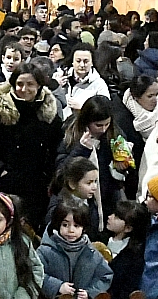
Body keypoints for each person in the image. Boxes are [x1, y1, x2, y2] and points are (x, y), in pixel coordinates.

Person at [0, 60, 64, 232]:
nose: (24, 89)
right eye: (20, 84)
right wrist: (0, 170)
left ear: (39, 85)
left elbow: (56, 150)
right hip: (6, 183)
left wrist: (48, 176)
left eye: (30, 84)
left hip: (36, 187)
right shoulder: (0, 111)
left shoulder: (49, 113)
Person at [56, 96, 131, 224]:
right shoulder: (70, 135)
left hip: (108, 197)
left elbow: (123, 173)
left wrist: (122, 167)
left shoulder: (115, 134)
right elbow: (61, 172)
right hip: (79, 201)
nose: (103, 129)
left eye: (107, 124)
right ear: (87, 121)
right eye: (98, 125)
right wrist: (82, 149)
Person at [62, 43, 111, 117]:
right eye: (78, 61)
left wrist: (83, 108)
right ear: (72, 62)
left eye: (86, 61)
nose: (82, 65)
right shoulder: (61, 76)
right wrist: (56, 86)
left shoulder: (99, 83)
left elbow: (105, 110)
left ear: (92, 63)